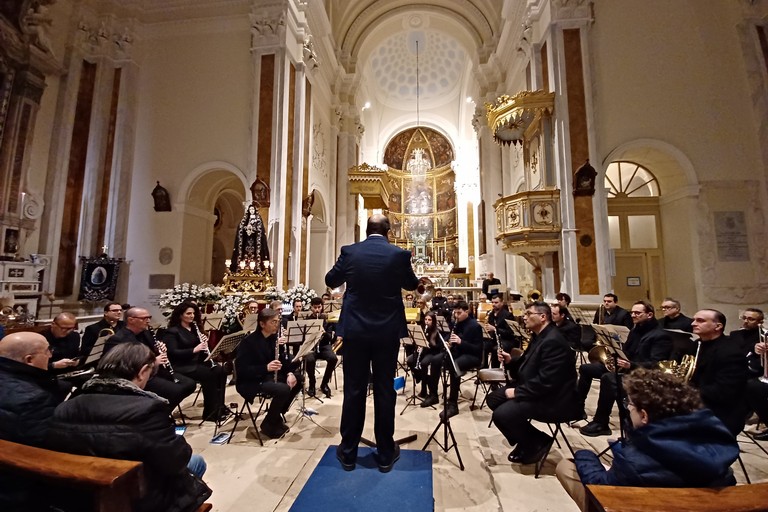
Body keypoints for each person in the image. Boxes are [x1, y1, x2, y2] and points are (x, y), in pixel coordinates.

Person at [47, 342, 212, 512]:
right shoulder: (147, 409)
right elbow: (176, 460)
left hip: (82, 494)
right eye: (150, 373)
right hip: (133, 497)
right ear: (141, 372)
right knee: (196, 462)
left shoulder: (65, 406)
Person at [556, 368, 739, 511]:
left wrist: (585, 455)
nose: (628, 408)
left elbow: (600, 483)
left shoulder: (634, 460)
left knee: (566, 467)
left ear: (644, 415)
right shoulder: (715, 441)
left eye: (630, 405)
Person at [325, 214, 419, 472]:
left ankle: (347, 453)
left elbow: (330, 280)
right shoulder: (398, 255)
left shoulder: (350, 252)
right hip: (386, 332)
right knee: (384, 390)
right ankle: (386, 453)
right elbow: (412, 285)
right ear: (388, 230)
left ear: (367, 230)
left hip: (355, 331)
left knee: (354, 389)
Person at [488, 302, 581, 465]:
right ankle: (532, 439)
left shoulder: (553, 341)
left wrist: (517, 393)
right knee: (493, 399)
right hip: (536, 390)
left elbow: (548, 381)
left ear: (543, 317)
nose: (524, 317)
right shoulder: (539, 336)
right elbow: (526, 364)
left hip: (554, 399)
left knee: (502, 415)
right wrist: (510, 361)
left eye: (528, 313)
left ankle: (535, 442)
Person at [580, 301, 672, 437]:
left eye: (637, 313)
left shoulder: (660, 336)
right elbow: (627, 351)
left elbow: (657, 364)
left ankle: (601, 422)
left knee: (609, 378)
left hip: (642, 374)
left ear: (650, 314)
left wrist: (630, 365)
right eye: (632, 312)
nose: (633, 315)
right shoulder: (636, 330)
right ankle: (577, 406)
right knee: (586, 368)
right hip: (628, 368)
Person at [0, 332, 64, 511]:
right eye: (47, 351)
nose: (51, 355)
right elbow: (47, 451)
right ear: (29, 360)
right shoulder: (35, 399)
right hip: (14, 490)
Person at [105, 307, 196, 410]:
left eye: (149, 317)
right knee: (176, 391)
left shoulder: (146, 333)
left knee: (189, 384)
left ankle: (162, 411)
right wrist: (153, 362)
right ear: (131, 320)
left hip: (153, 371)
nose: (148, 321)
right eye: (144, 318)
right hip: (135, 377)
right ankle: (155, 414)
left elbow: (150, 352)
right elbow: (120, 366)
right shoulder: (118, 339)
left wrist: (158, 349)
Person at [235, 308, 303, 438]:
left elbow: (282, 359)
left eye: (277, 321)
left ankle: (275, 415)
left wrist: (289, 373)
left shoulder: (273, 338)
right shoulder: (248, 342)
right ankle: (268, 424)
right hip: (251, 381)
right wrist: (265, 368)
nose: (277, 324)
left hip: (267, 376)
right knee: (282, 389)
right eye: (273, 322)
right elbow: (242, 370)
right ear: (262, 324)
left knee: (299, 379)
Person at [163, 302, 227, 421]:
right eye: (188, 313)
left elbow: (201, 350)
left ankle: (220, 407)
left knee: (221, 371)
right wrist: (194, 349)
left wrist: (204, 343)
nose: (192, 316)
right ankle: (211, 413)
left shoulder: (194, 328)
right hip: (182, 365)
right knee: (210, 374)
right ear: (180, 315)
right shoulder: (172, 332)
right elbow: (172, 352)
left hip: (196, 362)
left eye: (193, 313)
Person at [690, 309, 749, 436]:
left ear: (718, 326)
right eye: (694, 320)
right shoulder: (696, 345)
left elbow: (723, 392)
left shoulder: (730, 352)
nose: (693, 323)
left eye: (700, 321)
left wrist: (684, 393)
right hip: (697, 405)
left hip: (720, 413)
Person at [440, 300, 484, 419]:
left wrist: (460, 342)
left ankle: (453, 404)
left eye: (459, 313)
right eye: (455, 312)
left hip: (473, 356)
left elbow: (478, 349)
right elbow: (453, 340)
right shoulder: (457, 323)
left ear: (467, 311)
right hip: (461, 353)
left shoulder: (475, 326)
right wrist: (449, 344)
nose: (456, 315)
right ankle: (443, 395)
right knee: (442, 359)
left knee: (456, 366)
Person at [406, 311, 444, 407]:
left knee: (424, 363)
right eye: (426, 319)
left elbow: (440, 347)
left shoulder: (437, 331)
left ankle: (424, 389)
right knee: (410, 360)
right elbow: (416, 342)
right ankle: (420, 378)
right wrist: (418, 345)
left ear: (433, 321)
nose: (427, 321)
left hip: (433, 352)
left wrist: (430, 344)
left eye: (429, 320)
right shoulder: (422, 329)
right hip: (424, 351)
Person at [305, 297, 338, 398]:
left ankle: (324, 384)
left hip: (324, 346)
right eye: (315, 307)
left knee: (333, 359)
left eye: (319, 307)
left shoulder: (327, 320)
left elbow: (331, 338)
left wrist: (324, 332)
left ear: (322, 307)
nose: (317, 310)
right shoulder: (308, 320)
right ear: (311, 308)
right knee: (309, 359)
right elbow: (304, 338)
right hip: (312, 346)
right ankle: (312, 383)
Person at [230, 202, 269, 272]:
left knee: (255, 256)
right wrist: (245, 228)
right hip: (247, 241)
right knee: (245, 255)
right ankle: (243, 268)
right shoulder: (245, 219)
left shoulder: (258, 220)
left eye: (253, 209)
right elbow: (240, 228)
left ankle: (256, 269)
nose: (251, 211)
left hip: (255, 242)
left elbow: (261, 231)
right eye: (250, 209)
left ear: (255, 210)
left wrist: (254, 229)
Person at [484, 295, 517, 368]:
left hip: (506, 340)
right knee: (483, 346)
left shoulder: (508, 315)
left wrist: (495, 329)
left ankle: (495, 371)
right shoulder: (491, 314)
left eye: (496, 302)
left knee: (496, 349)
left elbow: (510, 333)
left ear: (501, 303)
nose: (493, 304)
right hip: (495, 339)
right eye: (492, 302)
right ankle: (484, 369)